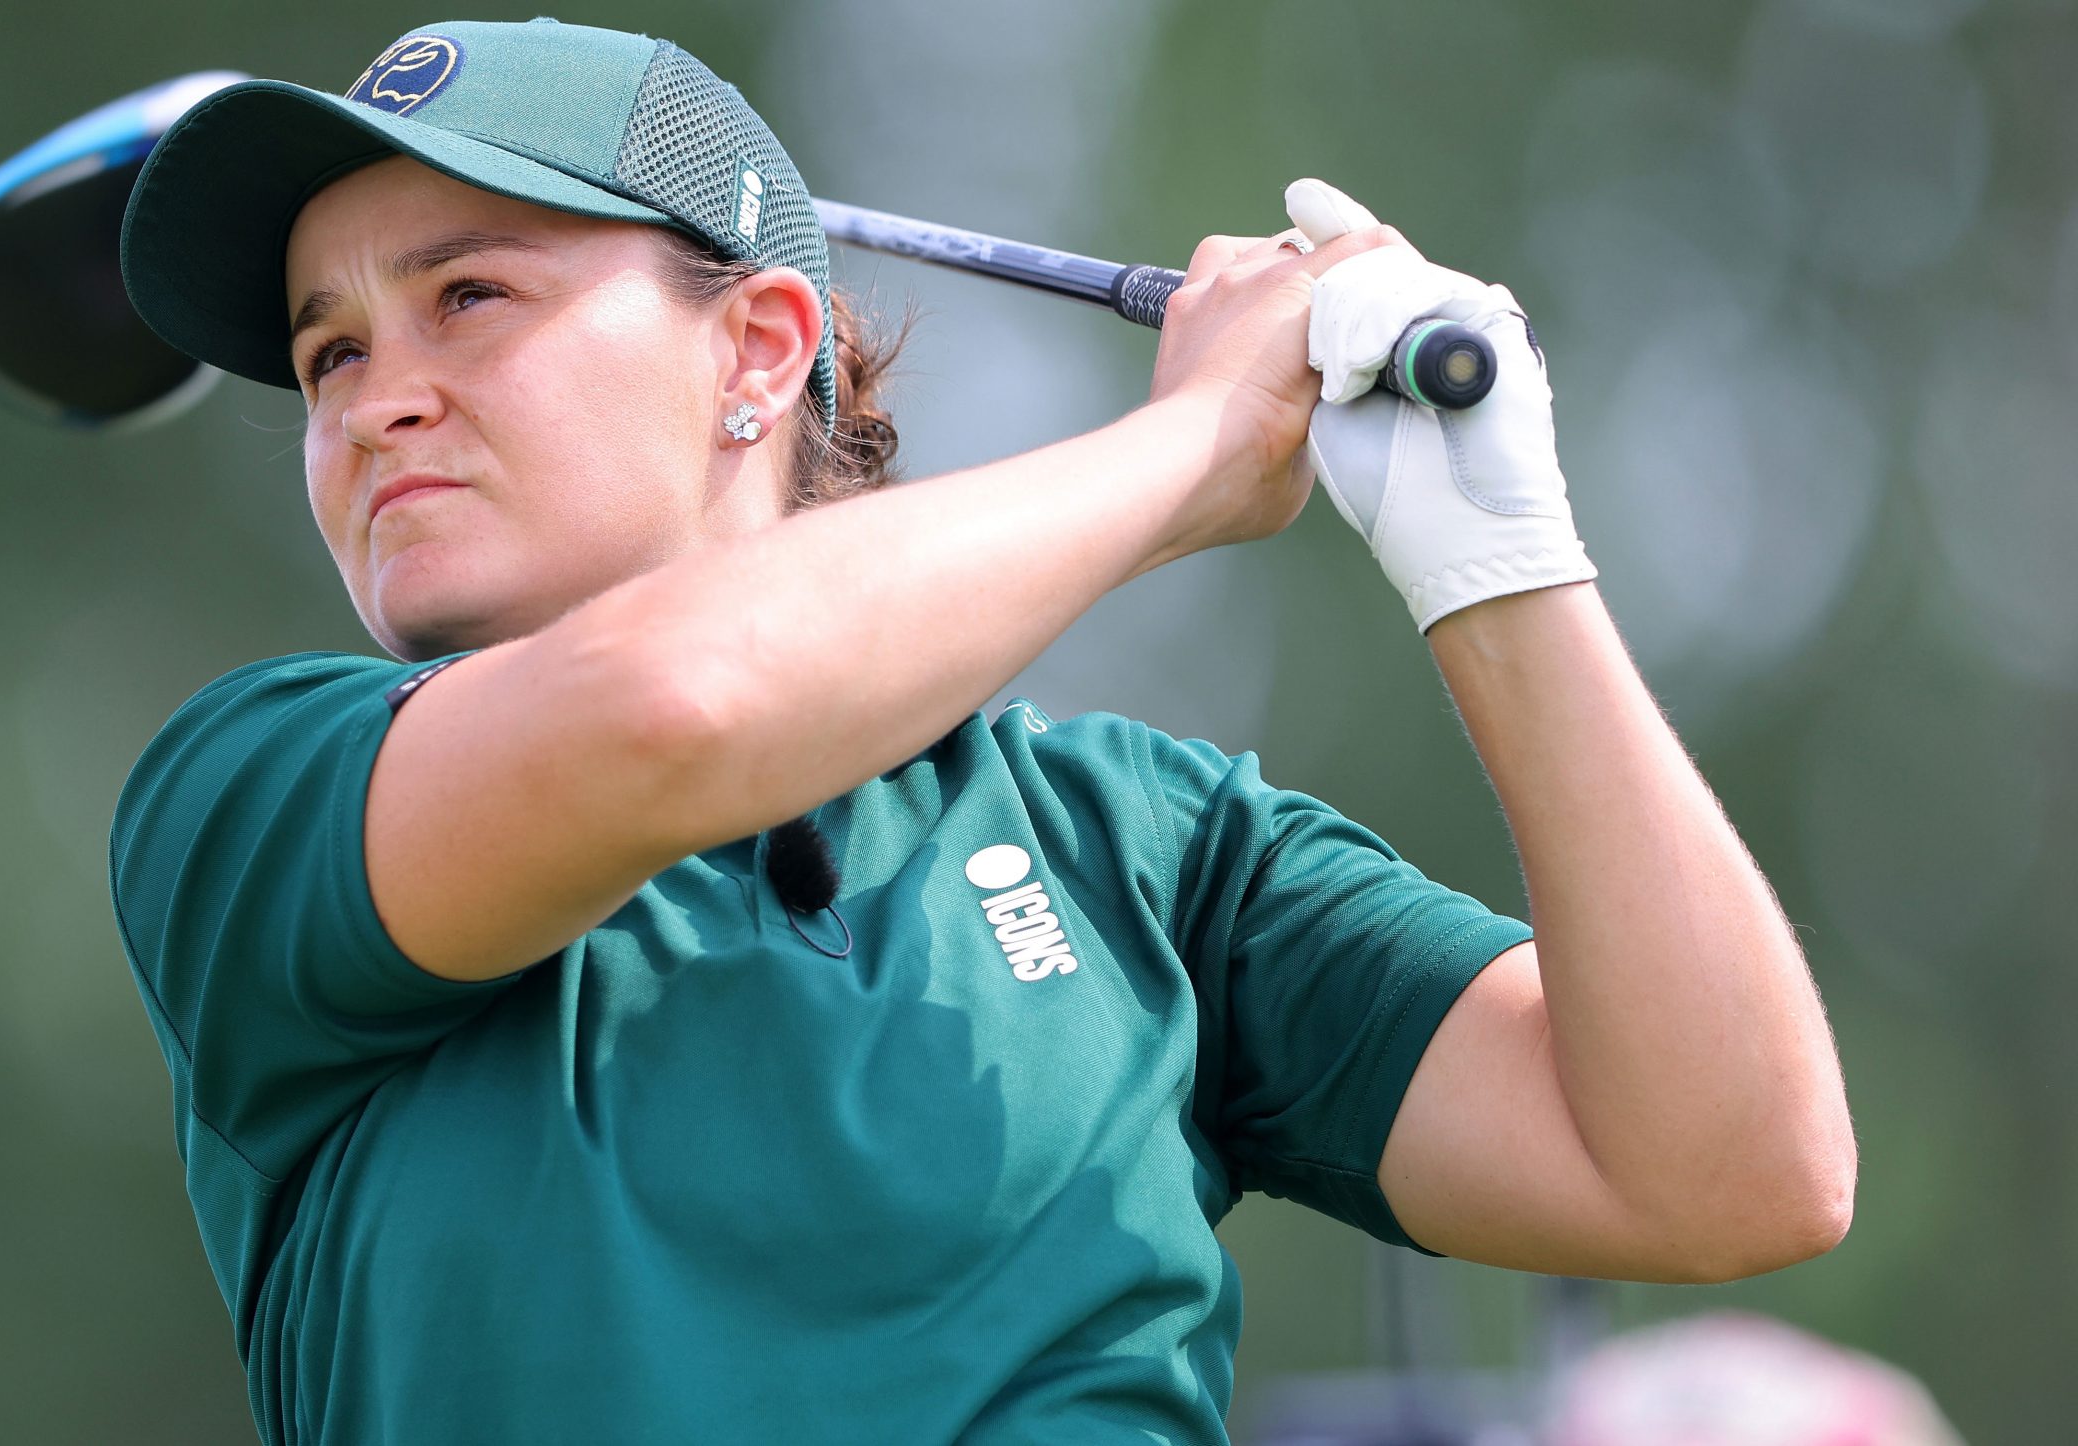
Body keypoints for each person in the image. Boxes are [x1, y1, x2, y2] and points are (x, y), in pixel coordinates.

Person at [107, 17, 1856, 1445]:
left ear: (758, 351)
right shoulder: (254, 789)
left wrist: (1501, 559)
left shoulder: (1147, 850)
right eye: (329, 355)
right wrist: (1193, 447)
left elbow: (1730, 1167)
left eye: (467, 298)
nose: (376, 402)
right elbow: (678, 705)